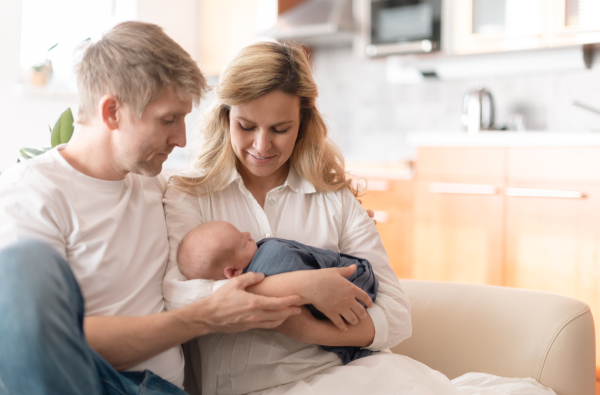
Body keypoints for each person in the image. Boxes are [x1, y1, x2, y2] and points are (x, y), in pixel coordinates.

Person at [0, 22, 378, 395]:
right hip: (93, 382)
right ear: (112, 111)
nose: (181, 139)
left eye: (184, 119)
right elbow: (40, 343)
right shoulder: (32, 193)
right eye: (169, 119)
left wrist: (340, 215)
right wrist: (202, 317)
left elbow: (223, 193)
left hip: (163, 389)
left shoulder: (157, 184)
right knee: (24, 266)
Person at [163, 41, 459, 395]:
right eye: (246, 126)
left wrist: (308, 330)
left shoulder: (333, 198)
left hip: (356, 377)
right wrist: (303, 287)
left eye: (280, 129)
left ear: (303, 122)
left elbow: (396, 317)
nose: (261, 145)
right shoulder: (189, 196)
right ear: (225, 117)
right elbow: (177, 298)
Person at [163, 220, 379, 364]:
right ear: (233, 271)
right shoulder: (271, 258)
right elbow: (178, 296)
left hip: (354, 298)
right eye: (242, 241)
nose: (249, 234)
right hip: (356, 284)